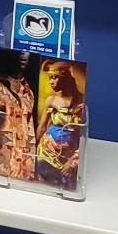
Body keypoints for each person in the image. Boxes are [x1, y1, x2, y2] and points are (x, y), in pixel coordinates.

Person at [35, 60, 86, 192]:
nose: (51, 82)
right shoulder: (51, 100)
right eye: (50, 78)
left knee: (66, 186)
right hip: (45, 152)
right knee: (42, 184)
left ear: (66, 78)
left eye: (55, 77)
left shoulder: (80, 101)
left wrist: (74, 161)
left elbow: (83, 136)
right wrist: (32, 148)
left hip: (67, 157)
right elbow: (42, 126)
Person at [0, 50, 36, 181]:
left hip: (25, 173)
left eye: (27, 51)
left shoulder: (28, 92)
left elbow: (29, 133)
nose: (23, 54)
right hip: (0, 170)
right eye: (19, 50)